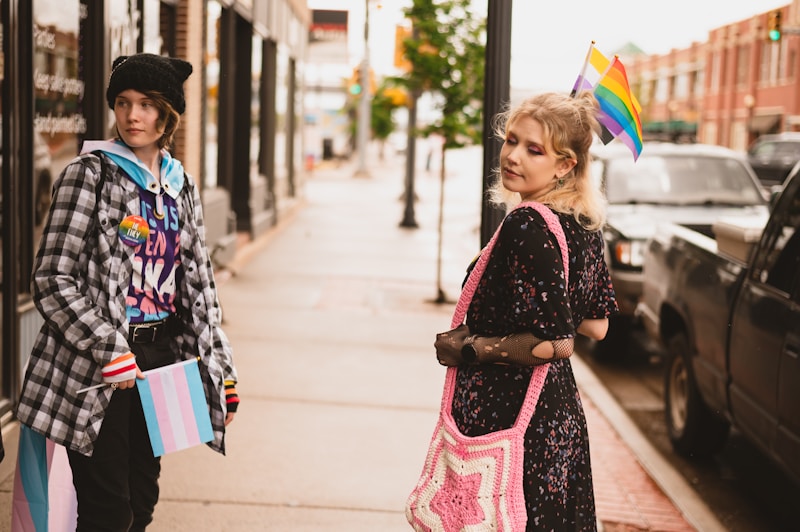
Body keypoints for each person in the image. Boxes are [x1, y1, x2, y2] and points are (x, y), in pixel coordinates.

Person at [16, 53, 240, 531]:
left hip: (160, 360)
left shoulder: (181, 187)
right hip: (98, 366)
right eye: (123, 102)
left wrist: (222, 371)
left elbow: (200, 288)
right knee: (107, 512)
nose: (133, 116)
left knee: (142, 502)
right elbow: (52, 278)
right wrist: (109, 346)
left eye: (146, 104)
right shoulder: (89, 174)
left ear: (168, 114)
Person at [434, 91, 618, 531]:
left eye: (534, 149)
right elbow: (598, 325)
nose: (513, 156)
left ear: (565, 164)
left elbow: (556, 343)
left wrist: (469, 349)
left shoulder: (527, 223)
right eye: (511, 140)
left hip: (510, 414)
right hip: (557, 418)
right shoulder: (581, 222)